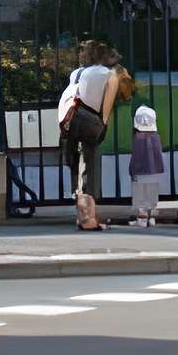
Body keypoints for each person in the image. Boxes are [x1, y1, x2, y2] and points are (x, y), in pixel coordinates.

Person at [55, 40, 119, 231]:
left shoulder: (76, 73)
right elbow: (106, 107)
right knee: (90, 167)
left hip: (69, 120)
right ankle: (88, 220)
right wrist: (102, 125)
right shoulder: (109, 75)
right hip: (89, 120)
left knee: (76, 168)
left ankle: (81, 216)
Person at [126, 101, 164, 228]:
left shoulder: (138, 138)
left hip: (140, 171)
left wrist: (132, 170)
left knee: (140, 195)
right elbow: (158, 155)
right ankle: (151, 218)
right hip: (154, 170)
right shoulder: (156, 137)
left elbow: (135, 157)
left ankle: (142, 218)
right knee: (152, 193)